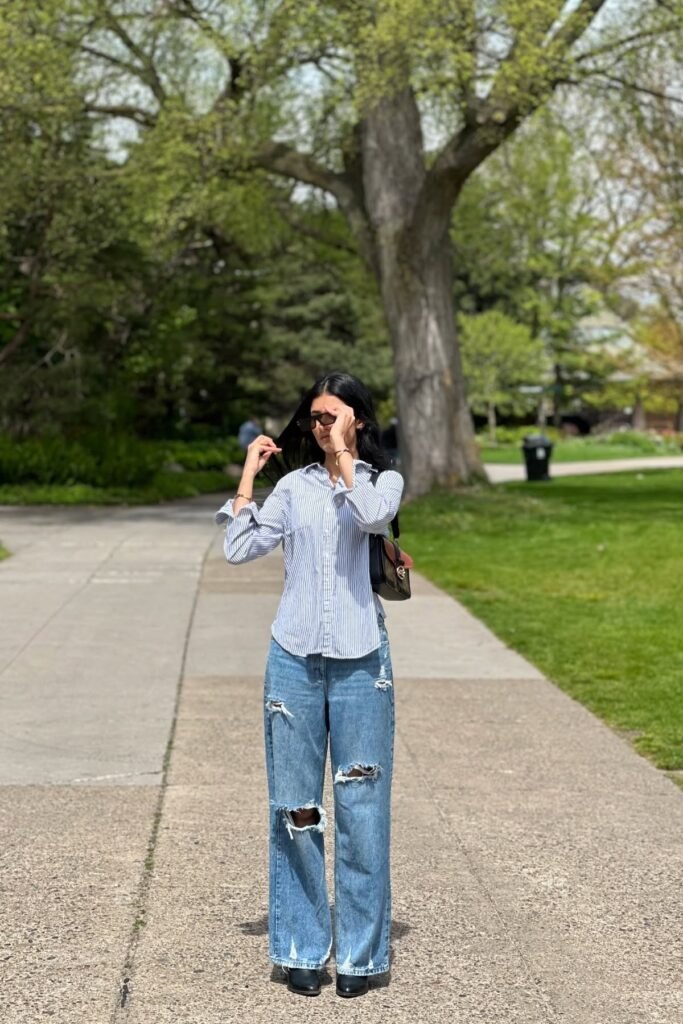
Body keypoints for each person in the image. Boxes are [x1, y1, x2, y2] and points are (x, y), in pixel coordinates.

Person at [215, 371, 403, 999]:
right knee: (296, 811)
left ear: (357, 420)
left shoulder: (382, 483)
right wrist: (249, 473)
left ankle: (359, 956)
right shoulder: (293, 489)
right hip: (292, 663)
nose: (319, 428)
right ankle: (299, 943)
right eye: (314, 419)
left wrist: (347, 455)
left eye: (332, 416)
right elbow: (239, 549)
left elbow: (374, 519)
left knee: (363, 811)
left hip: (360, 665)